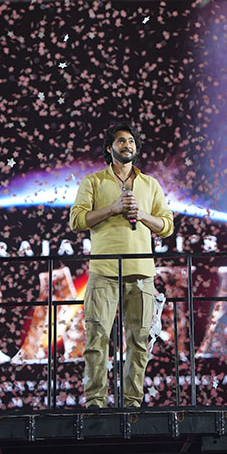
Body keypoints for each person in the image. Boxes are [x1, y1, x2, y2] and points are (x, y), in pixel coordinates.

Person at [69, 121, 174, 408]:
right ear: (109, 147)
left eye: (131, 141)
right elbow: (76, 220)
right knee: (97, 338)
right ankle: (95, 401)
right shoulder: (93, 181)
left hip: (141, 272)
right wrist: (113, 209)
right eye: (121, 141)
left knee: (139, 340)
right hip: (104, 271)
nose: (127, 145)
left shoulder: (150, 184)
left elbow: (167, 226)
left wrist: (142, 215)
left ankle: (132, 402)